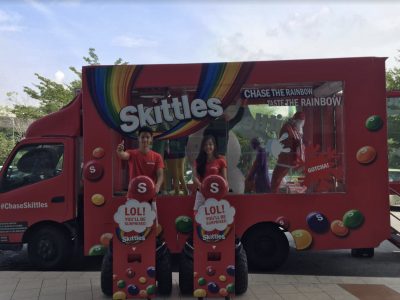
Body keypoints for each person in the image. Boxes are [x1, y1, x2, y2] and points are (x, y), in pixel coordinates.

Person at [116, 126, 164, 196]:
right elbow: (123, 155)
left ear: (151, 139)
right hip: (133, 193)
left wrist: (158, 186)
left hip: (150, 193)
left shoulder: (157, 156)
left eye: (147, 137)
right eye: (142, 137)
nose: (145, 140)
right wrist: (119, 151)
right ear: (138, 138)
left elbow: (160, 175)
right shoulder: (131, 153)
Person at [270, 111, 305, 193]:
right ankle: (274, 198)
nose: (302, 125)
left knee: (276, 180)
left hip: (287, 160)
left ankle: (275, 197)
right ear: (298, 121)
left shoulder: (291, 128)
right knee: (276, 180)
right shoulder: (289, 129)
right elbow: (289, 144)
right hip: (287, 160)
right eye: (302, 123)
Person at [193, 135, 228, 212]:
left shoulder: (221, 160)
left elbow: (225, 179)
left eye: (210, 144)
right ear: (202, 147)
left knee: (214, 216)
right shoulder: (198, 161)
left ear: (214, 146)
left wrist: (225, 189)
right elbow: (194, 177)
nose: (208, 147)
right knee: (198, 213)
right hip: (201, 192)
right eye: (205, 145)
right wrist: (201, 186)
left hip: (216, 193)